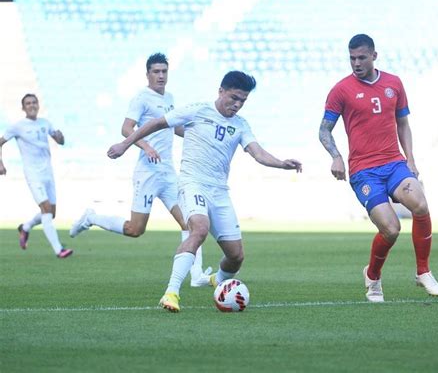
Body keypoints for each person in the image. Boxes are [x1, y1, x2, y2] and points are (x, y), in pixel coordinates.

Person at [107, 71, 302, 312]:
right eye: (234, 97)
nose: (237, 104)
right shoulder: (197, 110)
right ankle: (171, 293)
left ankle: (218, 283)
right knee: (199, 228)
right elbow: (156, 123)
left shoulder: (240, 125)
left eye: (242, 101)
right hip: (192, 184)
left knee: (236, 256)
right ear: (221, 91)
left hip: (219, 192)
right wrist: (125, 145)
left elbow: (258, 152)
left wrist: (282, 163)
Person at [319, 34, 438, 302]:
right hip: (364, 171)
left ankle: (423, 271)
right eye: (352, 58)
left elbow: (403, 124)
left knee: (420, 204)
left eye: (361, 57)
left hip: (394, 163)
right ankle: (373, 277)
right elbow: (324, 130)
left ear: (374, 56)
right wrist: (336, 156)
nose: (356, 63)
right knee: (391, 228)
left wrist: (410, 159)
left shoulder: (394, 84)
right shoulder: (341, 90)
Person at [69, 52, 210, 286]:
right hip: (147, 173)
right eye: (156, 71)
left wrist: (197, 135)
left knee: (191, 223)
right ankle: (92, 217)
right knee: (135, 229)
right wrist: (145, 147)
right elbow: (126, 128)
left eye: (164, 71)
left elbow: (173, 128)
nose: (161, 75)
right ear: (147, 74)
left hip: (168, 173)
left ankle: (196, 276)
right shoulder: (141, 98)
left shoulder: (170, 98)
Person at [0, 94, 73, 258]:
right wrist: (0, 163)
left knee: (51, 213)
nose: (32, 105)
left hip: (48, 173)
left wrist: (61, 138)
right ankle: (59, 250)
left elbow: (59, 140)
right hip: (33, 174)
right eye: (28, 103)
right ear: (23, 108)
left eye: (34, 102)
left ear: (38, 105)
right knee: (46, 209)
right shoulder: (18, 126)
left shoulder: (45, 123)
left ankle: (25, 227)